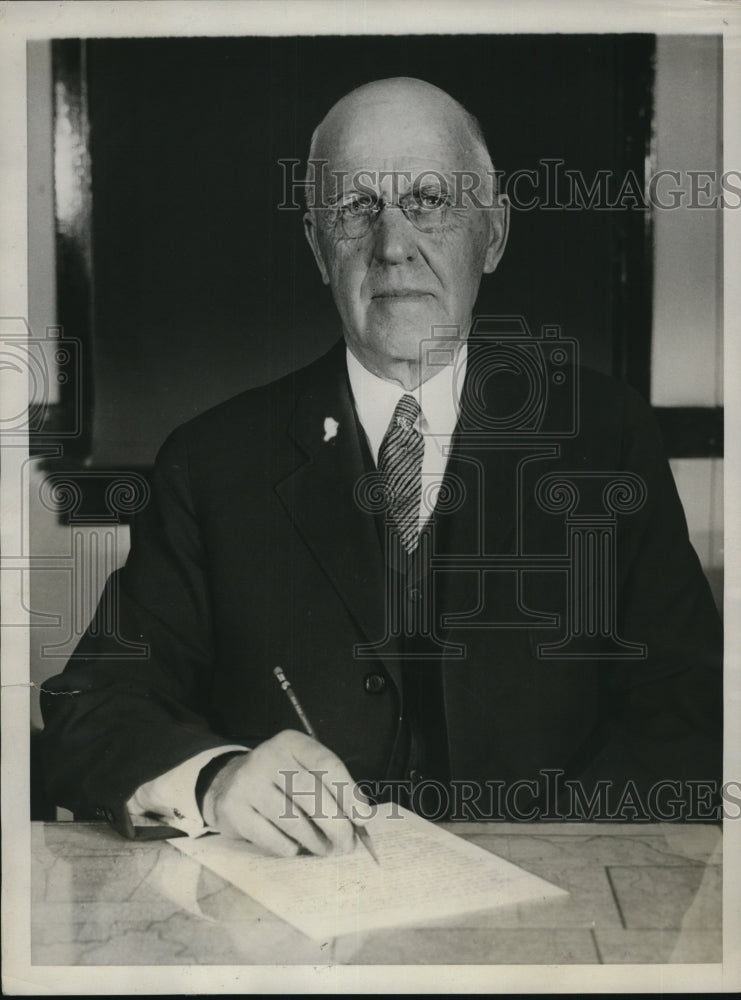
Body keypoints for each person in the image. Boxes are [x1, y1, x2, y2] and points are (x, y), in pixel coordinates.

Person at [41, 78, 722, 855]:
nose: (392, 243)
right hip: (295, 942)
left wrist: (547, 858)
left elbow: (691, 710)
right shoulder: (211, 462)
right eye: (355, 207)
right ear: (314, 245)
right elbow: (91, 707)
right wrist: (217, 778)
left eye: (429, 200)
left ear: (491, 235)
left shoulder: (605, 439)